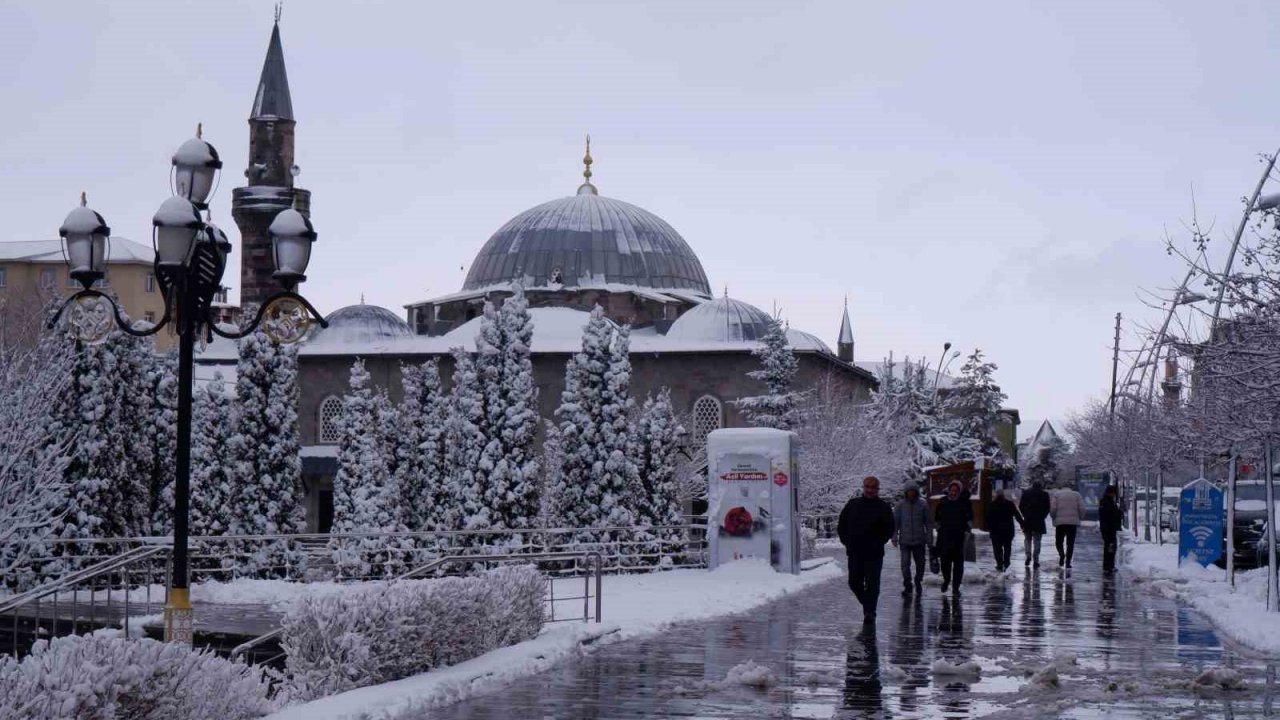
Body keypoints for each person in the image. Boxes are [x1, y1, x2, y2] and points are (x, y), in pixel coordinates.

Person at [838, 476, 896, 627]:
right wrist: (846, 541)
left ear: (877, 489)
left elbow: (889, 529)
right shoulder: (853, 504)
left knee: (872, 584)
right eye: (867, 486)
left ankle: (870, 612)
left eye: (873, 487)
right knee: (854, 582)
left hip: (874, 553)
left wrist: (878, 542)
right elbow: (842, 524)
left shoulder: (884, 507)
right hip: (855, 551)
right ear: (863, 487)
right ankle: (868, 605)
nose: (869, 490)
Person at [893, 481, 933, 596]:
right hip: (904, 541)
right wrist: (894, 536)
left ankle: (918, 580)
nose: (911, 493)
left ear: (916, 492)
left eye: (913, 491)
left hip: (919, 540)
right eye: (909, 491)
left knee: (920, 563)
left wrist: (929, 540)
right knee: (905, 564)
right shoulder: (900, 506)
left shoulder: (923, 505)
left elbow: (928, 523)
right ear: (906, 492)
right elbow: (895, 523)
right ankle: (907, 585)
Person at [934, 479, 973, 595]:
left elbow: (970, 518)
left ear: (959, 491)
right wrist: (938, 527)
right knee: (945, 563)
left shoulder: (964, 503)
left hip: (959, 538)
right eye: (951, 490)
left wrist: (967, 529)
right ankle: (946, 580)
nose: (953, 492)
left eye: (956, 490)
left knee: (958, 565)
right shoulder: (943, 502)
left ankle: (956, 587)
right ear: (948, 490)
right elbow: (937, 517)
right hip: (945, 537)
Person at [986, 488, 1025, 572]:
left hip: (995, 531)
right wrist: (1022, 524)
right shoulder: (1009, 504)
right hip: (1008, 530)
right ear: (1003, 495)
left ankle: (999, 564)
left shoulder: (992, 505)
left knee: (997, 549)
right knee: (1007, 548)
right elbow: (1017, 515)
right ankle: (1006, 562)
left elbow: (987, 518)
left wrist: (989, 528)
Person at [1050, 484, 1085, 568]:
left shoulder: (1057, 495)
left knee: (1059, 541)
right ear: (1071, 488)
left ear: (1062, 487)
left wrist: (1053, 517)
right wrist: (1080, 517)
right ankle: (1068, 562)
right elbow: (1082, 508)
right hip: (1072, 523)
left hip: (1060, 523)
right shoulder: (1077, 495)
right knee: (1070, 543)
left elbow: (1053, 509)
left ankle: (1062, 554)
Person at [1019, 481, 1051, 568]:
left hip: (1028, 520)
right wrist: (1043, 516)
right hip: (1039, 520)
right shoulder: (1044, 494)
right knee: (1037, 540)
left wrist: (1025, 514)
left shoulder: (1026, 493)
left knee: (1027, 539)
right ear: (1040, 486)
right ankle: (1036, 559)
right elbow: (1048, 507)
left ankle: (1028, 555)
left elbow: (1020, 506)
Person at [1098, 484, 1124, 572]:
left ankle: (1108, 564)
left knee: (1109, 546)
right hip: (1109, 528)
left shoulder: (1106, 501)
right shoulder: (1107, 502)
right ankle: (1109, 565)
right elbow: (1112, 514)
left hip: (1108, 528)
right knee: (1110, 546)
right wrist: (1119, 512)